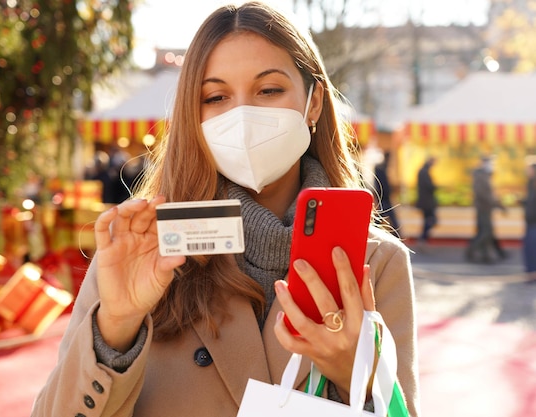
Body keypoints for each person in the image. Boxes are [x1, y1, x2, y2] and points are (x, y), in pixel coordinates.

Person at [31, 2, 420, 416]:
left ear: (314, 103)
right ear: (192, 116)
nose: (242, 115)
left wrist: (353, 374)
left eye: (268, 90)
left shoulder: (375, 262)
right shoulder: (145, 249)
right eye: (216, 97)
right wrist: (116, 327)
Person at [466, 156, 507, 263]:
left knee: (485, 232)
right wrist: (497, 204)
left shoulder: (485, 175)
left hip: (486, 208)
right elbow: (484, 194)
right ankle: (471, 250)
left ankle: (485, 256)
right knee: (486, 232)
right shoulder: (481, 176)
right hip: (483, 208)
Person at [373, 151, 400, 237]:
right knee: (388, 217)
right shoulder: (382, 168)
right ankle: (398, 234)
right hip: (384, 197)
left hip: (382, 196)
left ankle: (397, 234)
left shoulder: (380, 168)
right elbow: (383, 185)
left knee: (380, 218)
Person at [415, 157, 437, 248]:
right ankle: (423, 238)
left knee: (427, 220)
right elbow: (429, 187)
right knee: (431, 220)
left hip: (425, 201)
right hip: (427, 202)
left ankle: (423, 239)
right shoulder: (424, 172)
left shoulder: (423, 171)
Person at [522, 162, 536, 274]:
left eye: (530, 169)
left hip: (534, 222)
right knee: (528, 249)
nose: (528, 172)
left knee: (532, 248)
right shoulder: (530, 184)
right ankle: (530, 271)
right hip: (529, 221)